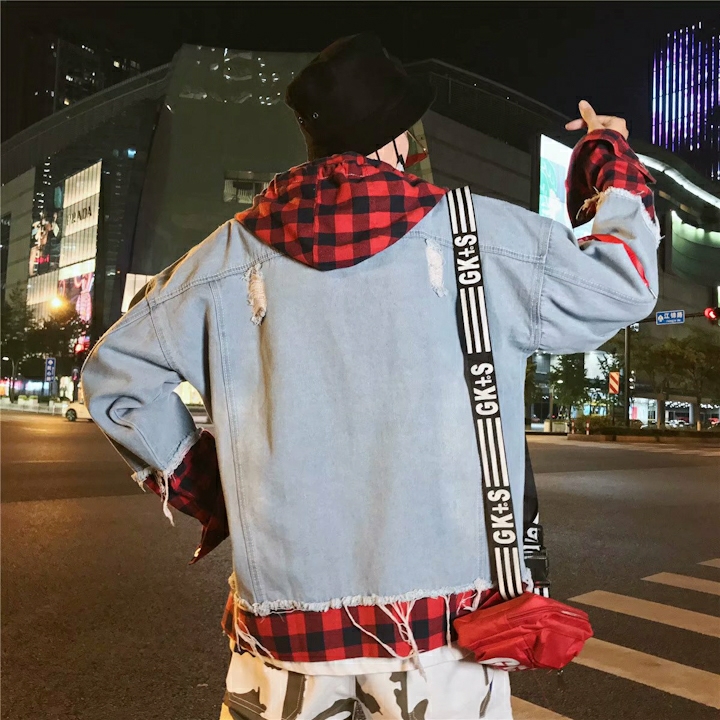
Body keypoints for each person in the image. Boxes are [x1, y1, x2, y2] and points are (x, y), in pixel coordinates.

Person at [81, 33, 659, 719]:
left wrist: (217, 488)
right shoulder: (480, 237)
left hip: (287, 630)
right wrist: (605, 157)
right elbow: (624, 281)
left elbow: (115, 376)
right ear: (395, 141)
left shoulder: (227, 255)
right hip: (446, 636)